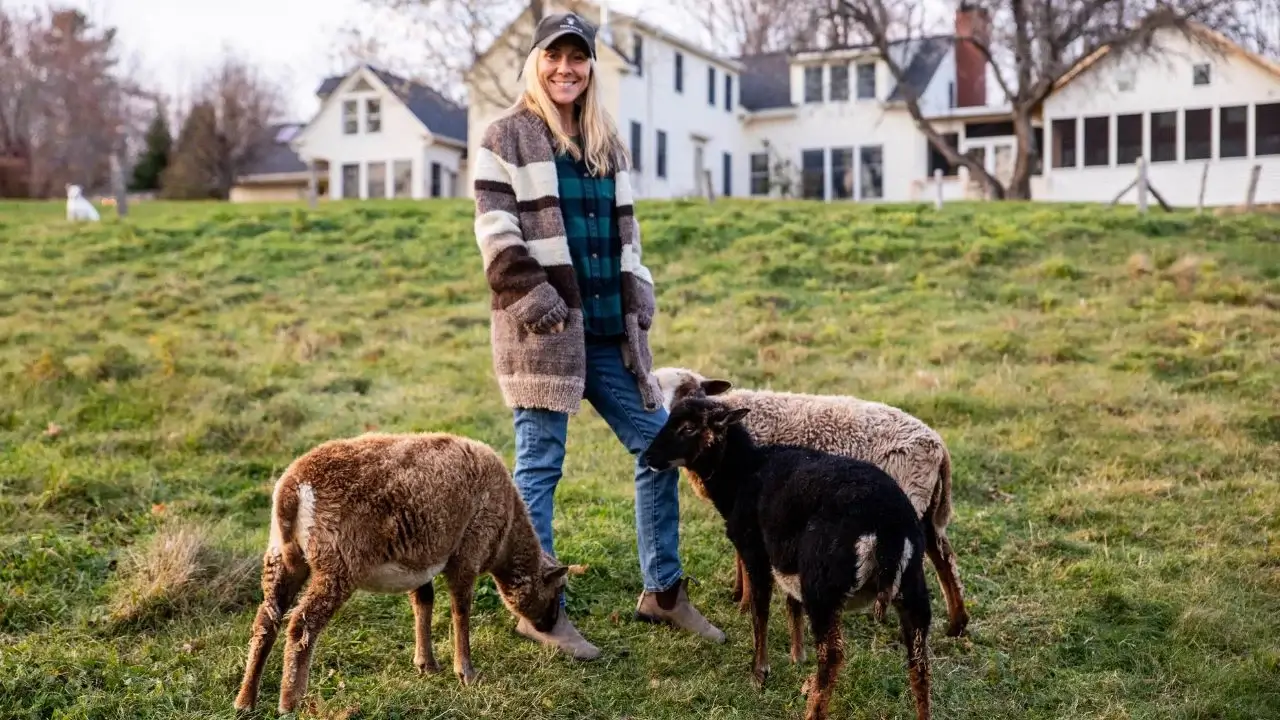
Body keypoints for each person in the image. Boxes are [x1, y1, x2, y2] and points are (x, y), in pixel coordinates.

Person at [471, 11, 725, 660]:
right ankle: (538, 605)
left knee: (659, 446)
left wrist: (640, 294)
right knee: (540, 466)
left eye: (577, 58)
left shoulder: (607, 142)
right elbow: (497, 239)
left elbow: (628, 236)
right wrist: (541, 302)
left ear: (590, 67)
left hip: (611, 337)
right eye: (553, 57)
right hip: (543, 336)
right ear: (536, 63)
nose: (566, 69)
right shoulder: (507, 136)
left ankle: (662, 592)